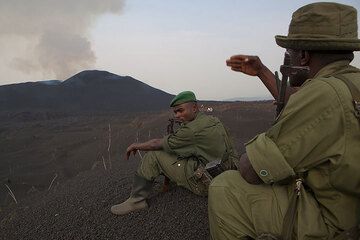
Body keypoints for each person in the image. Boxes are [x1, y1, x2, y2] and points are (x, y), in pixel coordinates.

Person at [208, 2, 360, 239]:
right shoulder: (349, 84)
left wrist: (262, 146)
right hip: (351, 207)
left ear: (304, 55)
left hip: (335, 223)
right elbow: (307, 107)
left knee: (225, 187)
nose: (286, 57)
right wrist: (262, 71)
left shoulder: (322, 94)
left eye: (289, 51)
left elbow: (253, 171)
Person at [111, 90, 237, 215]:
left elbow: (156, 144)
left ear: (194, 108)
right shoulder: (214, 121)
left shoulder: (191, 131)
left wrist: (136, 145)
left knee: (154, 155)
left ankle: (136, 200)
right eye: (175, 112)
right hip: (227, 176)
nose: (177, 115)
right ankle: (167, 184)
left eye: (180, 110)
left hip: (206, 184)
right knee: (177, 150)